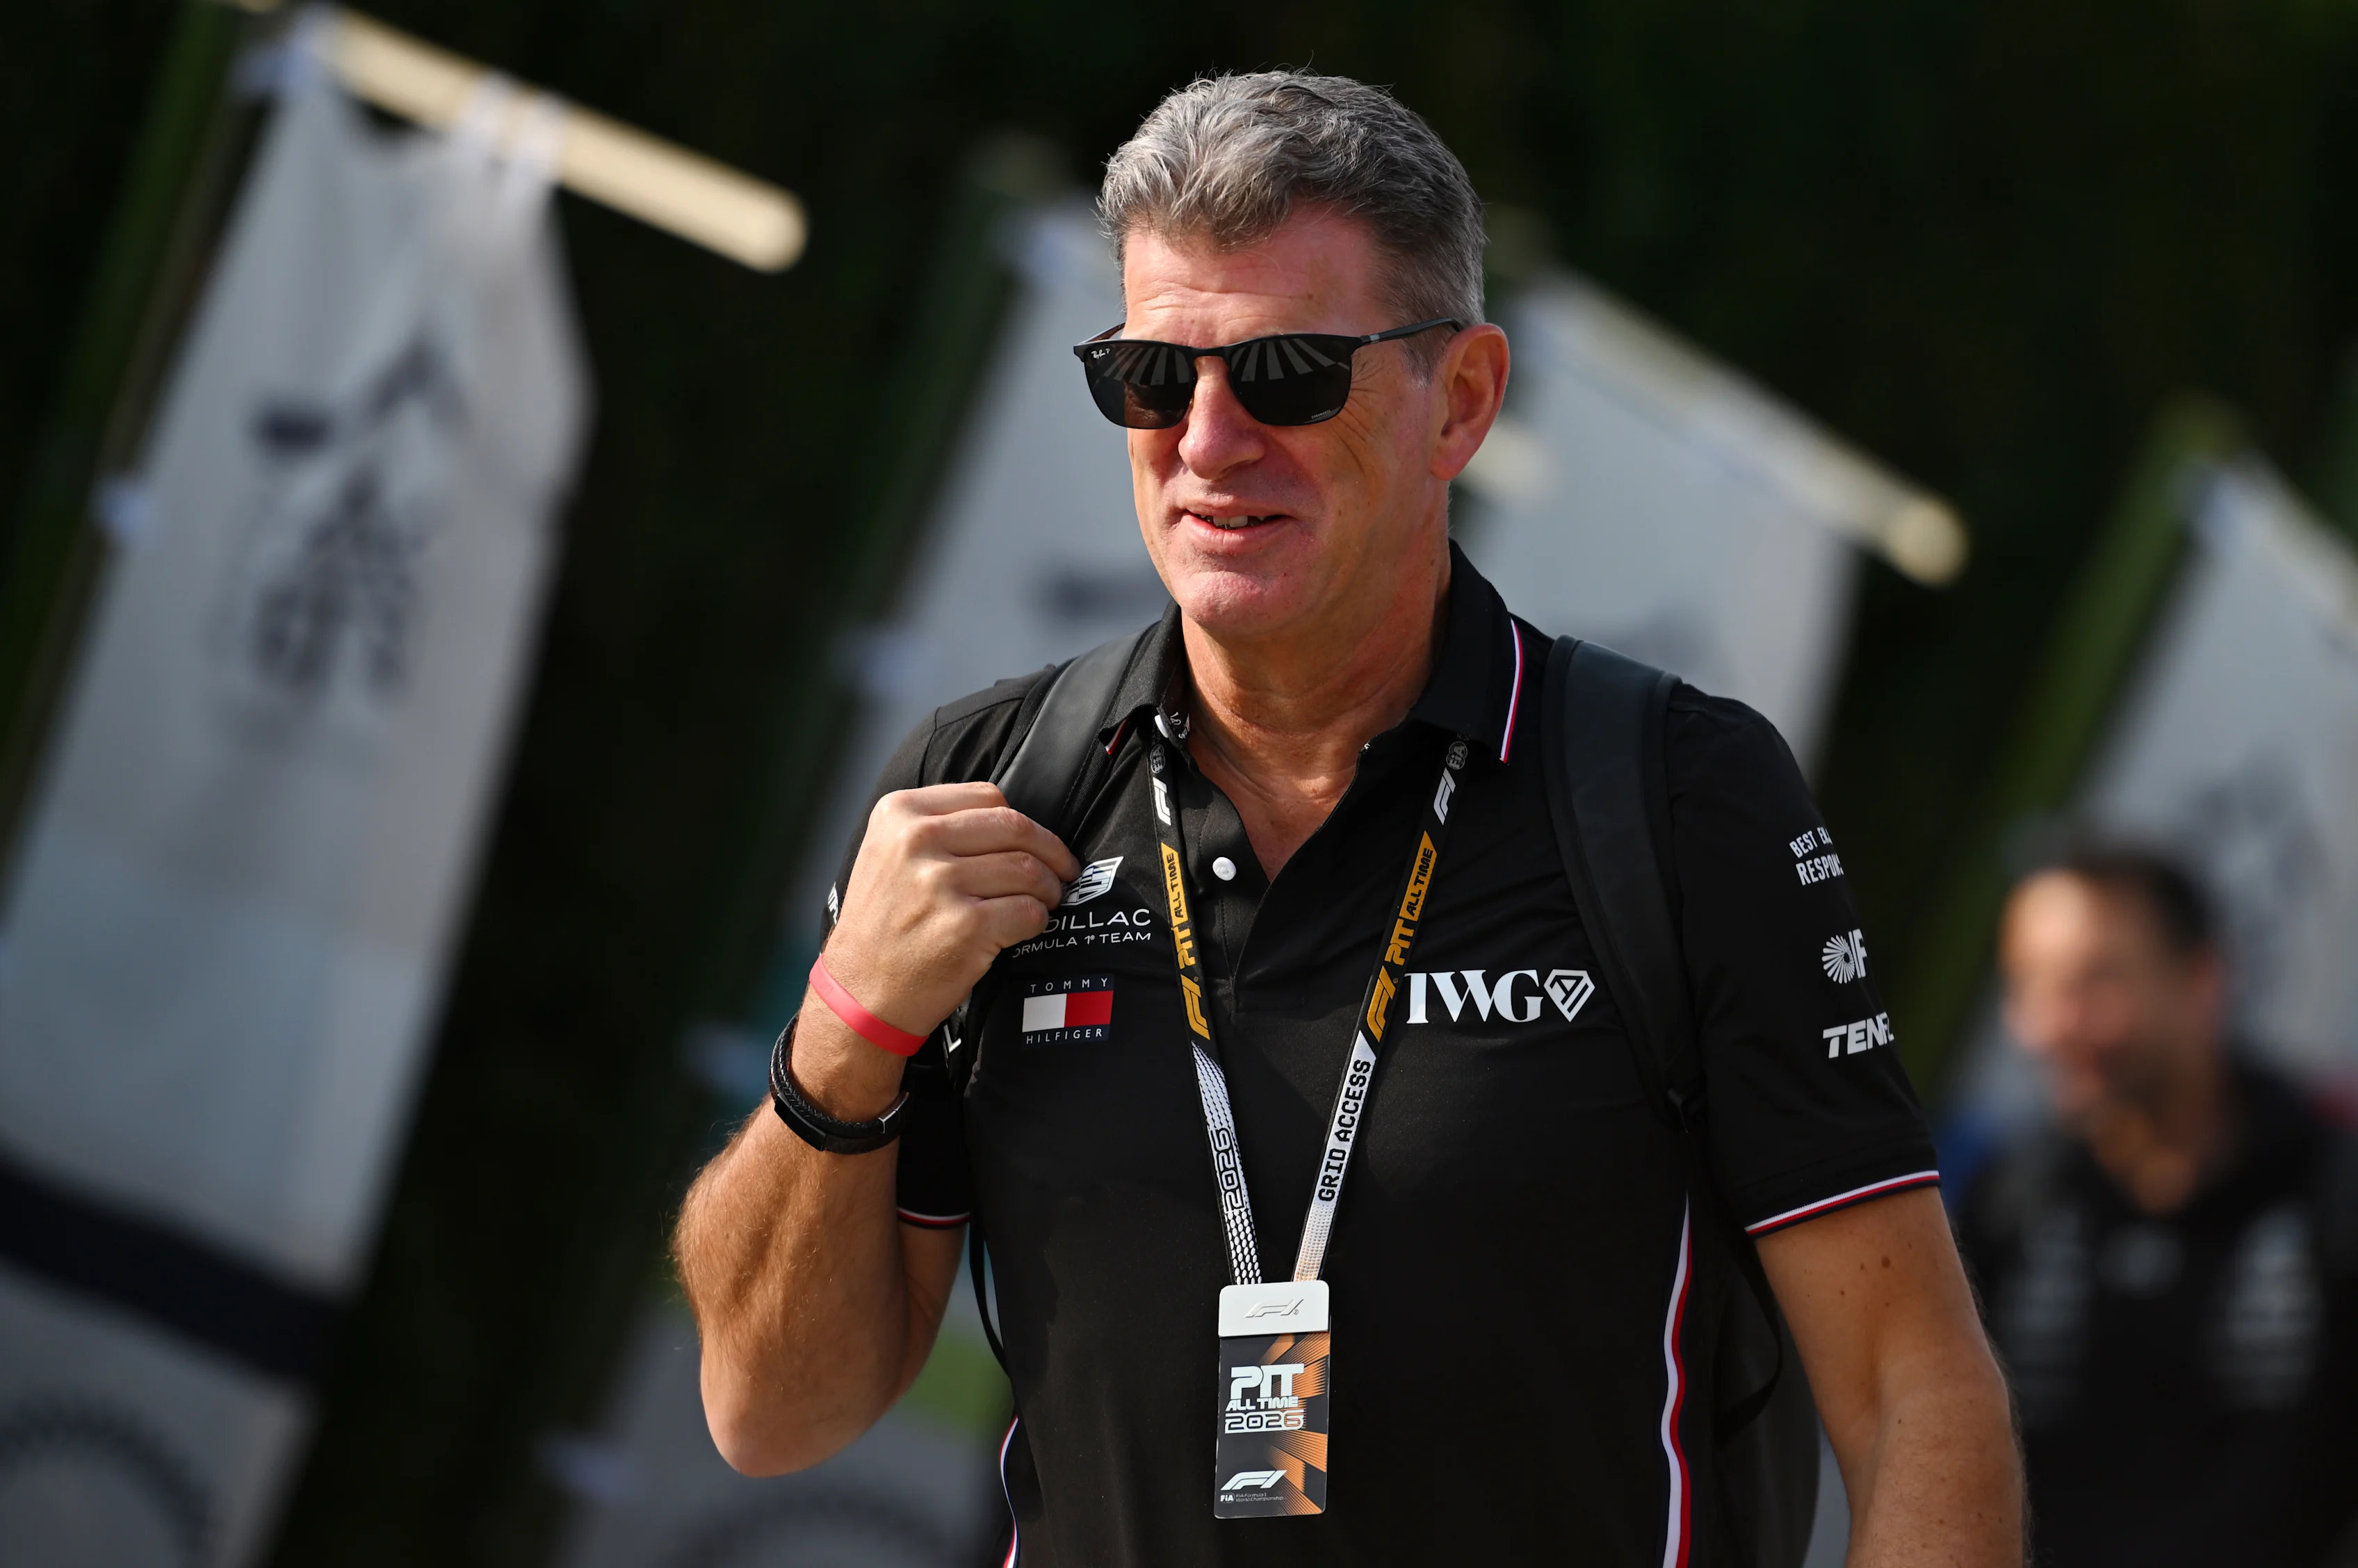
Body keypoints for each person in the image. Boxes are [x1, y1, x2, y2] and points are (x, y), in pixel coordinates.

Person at [674, 71, 2019, 1565]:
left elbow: (1914, 1392)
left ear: (1461, 401)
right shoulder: (999, 790)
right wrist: (844, 1034)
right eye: (1147, 377)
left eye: (1290, 373)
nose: (1204, 440)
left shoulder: (1676, 800)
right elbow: (768, 1413)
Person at [1958, 847, 2358, 1567]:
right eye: (2028, 986)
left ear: (2202, 978)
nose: (2052, 1026)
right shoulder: (2011, 1201)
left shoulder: (2328, 1192)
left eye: (2094, 983)